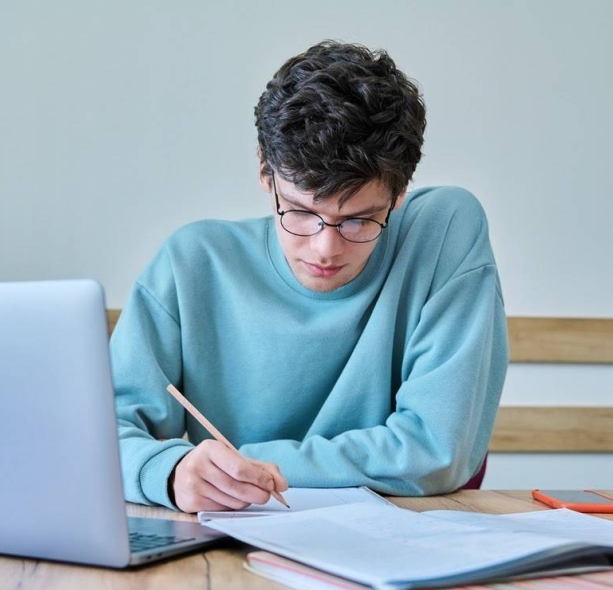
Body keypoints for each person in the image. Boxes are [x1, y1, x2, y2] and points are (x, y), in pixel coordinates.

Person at [110, 41, 508, 513]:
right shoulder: (193, 261)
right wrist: (172, 472)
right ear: (265, 171)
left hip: (395, 549)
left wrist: (238, 465)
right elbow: (100, 436)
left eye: (360, 219)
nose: (326, 249)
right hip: (234, 539)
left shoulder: (443, 230)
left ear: (399, 193)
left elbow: (436, 453)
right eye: (300, 211)